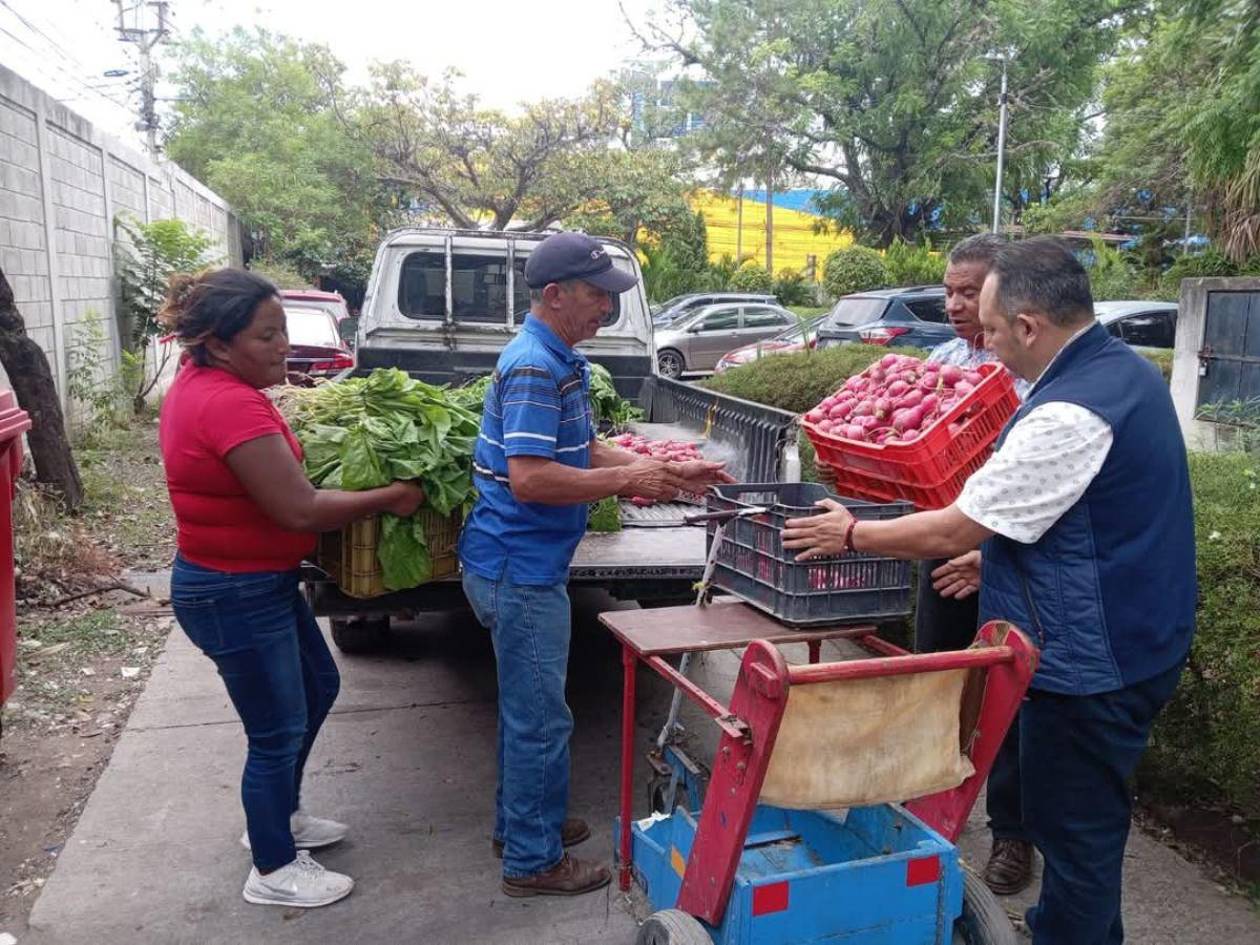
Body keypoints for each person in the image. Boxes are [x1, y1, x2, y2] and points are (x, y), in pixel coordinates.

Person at [782, 237, 1195, 945]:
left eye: (996, 331)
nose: (989, 346)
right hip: (1136, 637)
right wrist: (993, 558)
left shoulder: (1067, 413)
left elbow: (952, 528)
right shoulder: (1123, 372)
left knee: (1074, 834)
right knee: (1083, 825)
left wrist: (852, 534)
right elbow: (1076, 515)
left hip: (1092, 666)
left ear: (1030, 326)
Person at [458, 232, 733, 898]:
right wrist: (628, 479)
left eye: (612, 298)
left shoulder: (558, 358)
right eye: (596, 296)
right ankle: (531, 860)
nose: (606, 310)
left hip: (527, 563)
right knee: (542, 719)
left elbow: (580, 446)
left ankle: (522, 824)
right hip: (517, 568)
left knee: (532, 712)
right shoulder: (533, 364)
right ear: (554, 296)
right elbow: (530, 478)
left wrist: (663, 468)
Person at [158, 268, 425, 908]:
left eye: (283, 331)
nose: (284, 346)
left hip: (255, 583)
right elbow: (299, 510)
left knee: (317, 688)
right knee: (275, 730)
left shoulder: (208, 384)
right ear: (219, 344)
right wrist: (394, 496)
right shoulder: (226, 401)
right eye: (266, 335)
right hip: (233, 592)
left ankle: (281, 819)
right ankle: (273, 866)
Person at [917, 233, 1034, 896]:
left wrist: (988, 552)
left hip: (1008, 561)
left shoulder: (1030, 375)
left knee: (1010, 694)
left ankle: (1014, 833)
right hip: (943, 553)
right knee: (938, 680)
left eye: (971, 291)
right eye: (951, 290)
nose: (957, 304)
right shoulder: (938, 361)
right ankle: (929, 805)